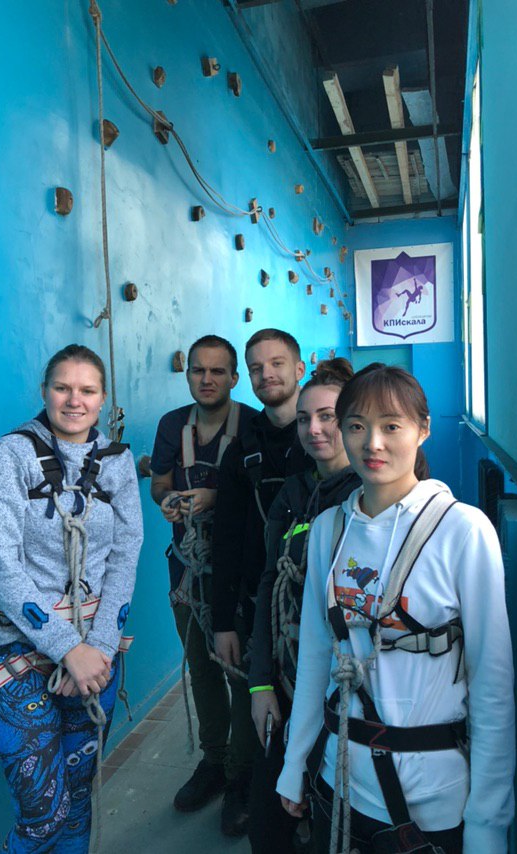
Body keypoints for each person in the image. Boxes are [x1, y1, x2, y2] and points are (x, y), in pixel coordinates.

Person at [277, 363, 515, 854]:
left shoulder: (463, 531)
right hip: (339, 783)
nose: (373, 444)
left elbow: (493, 684)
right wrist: (295, 762)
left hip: (432, 799)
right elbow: (316, 658)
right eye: (356, 426)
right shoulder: (327, 530)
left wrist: (488, 823)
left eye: (391, 426)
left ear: (423, 429)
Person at [0, 344, 143, 853]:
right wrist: (68, 648)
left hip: (97, 651)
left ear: (102, 399)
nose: (74, 400)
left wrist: (98, 648)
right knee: (44, 815)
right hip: (20, 650)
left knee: (79, 800)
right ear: (44, 391)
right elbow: (1, 568)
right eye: (62, 387)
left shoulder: (117, 461)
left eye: (87, 390)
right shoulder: (10, 456)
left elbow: (125, 555)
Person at [248, 358, 361, 854]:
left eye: (328, 417)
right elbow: (269, 582)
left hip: (344, 688)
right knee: (267, 825)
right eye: (303, 419)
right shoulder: (294, 492)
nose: (313, 429)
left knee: (330, 821)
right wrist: (260, 684)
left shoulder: (370, 499)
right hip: (288, 677)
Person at [150, 335, 258, 813]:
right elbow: (159, 484)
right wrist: (169, 500)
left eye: (217, 371)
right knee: (202, 668)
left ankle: (242, 772)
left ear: (234, 378)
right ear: (188, 374)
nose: (207, 379)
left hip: (237, 574)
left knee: (241, 673)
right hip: (187, 573)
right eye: (198, 370)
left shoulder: (252, 426)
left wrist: (218, 497)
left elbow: (264, 498)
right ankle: (214, 759)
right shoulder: (172, 426)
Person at [212, 328, 311, 837]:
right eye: (256, 367)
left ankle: (314, 799)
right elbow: (225, 540)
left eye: (276, 363)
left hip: (320, 609)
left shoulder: (326, 439)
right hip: (259, 606)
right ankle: (247, 785)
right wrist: (223, 621)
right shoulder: (242, 450)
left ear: (300, 369)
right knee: (258, 705)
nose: (266, 374)